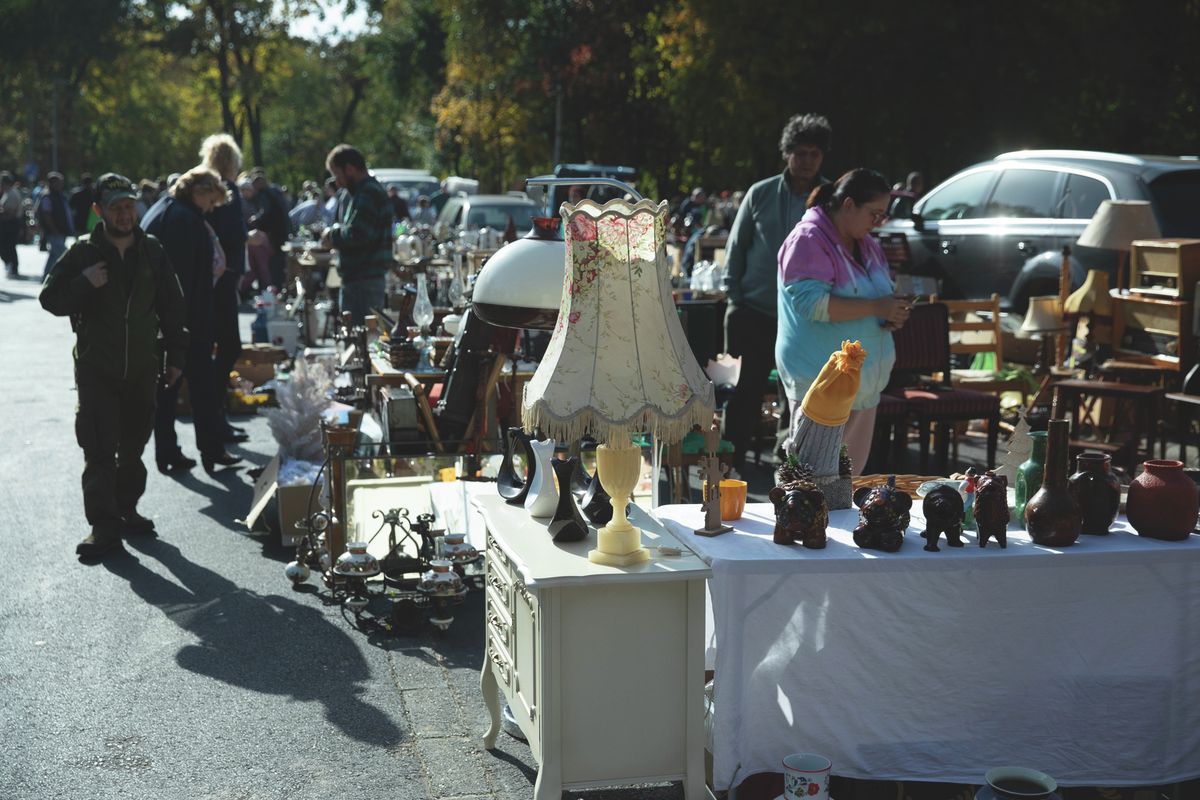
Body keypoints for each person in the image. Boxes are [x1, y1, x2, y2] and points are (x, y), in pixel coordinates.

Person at [39, 173, 188, 559]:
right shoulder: (83, 253)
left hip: (142, 368)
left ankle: (127, 509)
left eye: (129, 206)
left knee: (134, 446)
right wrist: (85, 283)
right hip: (96, 370)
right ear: (98, 211)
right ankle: (103, 528)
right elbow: (50, 299)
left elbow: (173, 307)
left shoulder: (153, 251)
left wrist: (175, 358)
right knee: (99, 449)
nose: (125, 214)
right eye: (116, 207)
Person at [776, 168, 910, 474]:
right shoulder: (808, 239)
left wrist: (891, 314)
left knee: (845, 485)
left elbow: (876, 299)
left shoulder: (868, 244)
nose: (879, 223)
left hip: (862, 387)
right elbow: (812, 304)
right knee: (811, 484)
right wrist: (878, 306)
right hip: (821, 383)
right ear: (848, 205)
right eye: (874, 214)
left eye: (883, 216)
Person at [723, 113, 833, 474]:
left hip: (804, 317)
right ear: (787, 153)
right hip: (753, 309)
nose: (806, 161)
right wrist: (735, 297)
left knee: (800, 397)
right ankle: (726, 468)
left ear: (822, 157)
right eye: (799, 153)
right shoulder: (761, 193)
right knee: (743, 394)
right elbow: (736, 247)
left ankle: (788, 473)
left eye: (814, 154)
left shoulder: (831, 198)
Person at [142, 166, 243, 476]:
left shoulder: (164, 209)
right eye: (212, 201)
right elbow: (185, 280)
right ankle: (211, 451)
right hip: (187, 320)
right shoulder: (185, 220)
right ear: (199, 192)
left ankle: (168, 451)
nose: (212, 209)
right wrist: (188, 325)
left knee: (167, 388)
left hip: (164, 317)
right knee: (201, 387)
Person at [198, 134, 250, 446]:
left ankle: (216, 414)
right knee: (229, 346)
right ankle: (215, 414)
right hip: (223, 277)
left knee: (217, 347)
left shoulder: (206, 187)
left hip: (213, 278)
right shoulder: (226, 190)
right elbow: (232, 233)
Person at [320, 144, 394, 324]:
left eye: (337, 174)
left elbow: (358, 234)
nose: (337, 182)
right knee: (358, 342)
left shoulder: (367, 193)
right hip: (361, 280)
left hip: (363, 283)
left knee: (360, 342)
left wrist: (331, 235)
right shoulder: (362, 192)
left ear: (350, 169)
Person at [246, 170, 290, 288]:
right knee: (281, 261)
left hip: (274, 234)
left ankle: (275, 287)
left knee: (274, 263)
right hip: (283, 231)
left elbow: (266, 213)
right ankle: (280, 286)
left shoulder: (265, 194)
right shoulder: (276, 191)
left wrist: (256, 220)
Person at [37, 172, 74, 276]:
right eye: (58, 183)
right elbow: (46, 215)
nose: (61, 185)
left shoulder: (60, 196)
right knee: (65, 254)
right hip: (54, 232)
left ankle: (46, 276)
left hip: (61, 231)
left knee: (53, 255)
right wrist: (54, 230)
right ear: (52, 183)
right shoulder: (47, 197)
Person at [0, 172, 23, 277]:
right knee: (8, 246)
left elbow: (11, 211)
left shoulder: (12, 193)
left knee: (9, 246)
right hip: (8, 223)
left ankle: (13, 266)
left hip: (10, 223)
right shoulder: (7, 192)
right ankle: (11, 265)